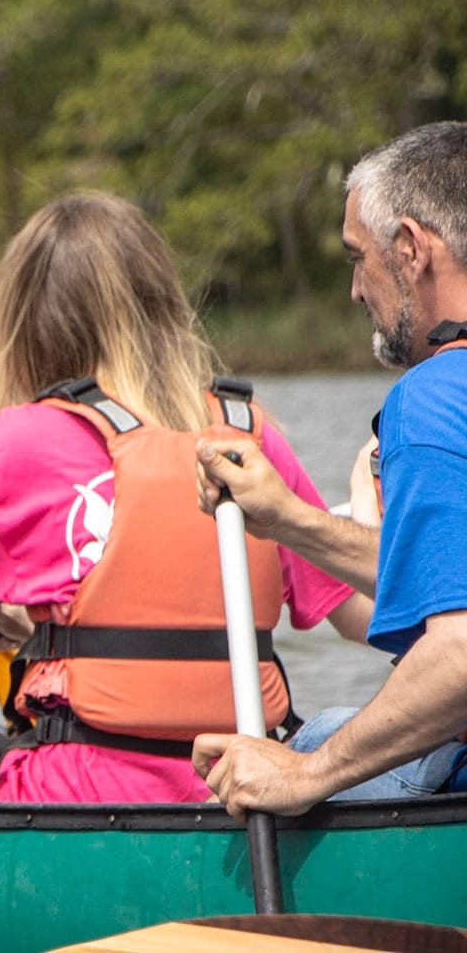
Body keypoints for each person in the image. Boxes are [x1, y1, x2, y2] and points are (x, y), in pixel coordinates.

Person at [0, 191, 369, 804]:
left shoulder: (23, 439)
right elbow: (362, 619)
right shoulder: (248, 435)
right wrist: (369, 517)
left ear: (26, 323)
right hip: (230, 788)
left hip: (78, 794)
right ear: (164, 308)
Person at [194, 122, 467, 813]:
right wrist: (290, 519)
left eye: (359, 257)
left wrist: (305, 772)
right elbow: (446, 574)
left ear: (410, 248)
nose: (354, 289)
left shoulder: (435, 398)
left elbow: (460, 654)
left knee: (310, 741)